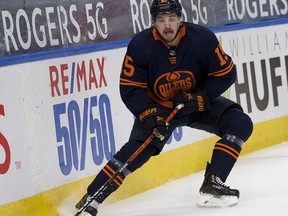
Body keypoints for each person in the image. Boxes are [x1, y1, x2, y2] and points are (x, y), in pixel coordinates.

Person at [75, 0, 253, 215]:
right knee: (138, 151)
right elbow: (130, 87)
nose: (167, 25)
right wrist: (148, 113)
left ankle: (213, 182)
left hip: (193, 103)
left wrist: (202, 96)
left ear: (180, 19)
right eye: (161, 20)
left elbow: (226, 73)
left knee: (239, 123)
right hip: (159, 109)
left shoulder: (202, 39)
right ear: (154, 22)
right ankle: (92, 198)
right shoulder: (141, 45)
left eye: (171, 19)